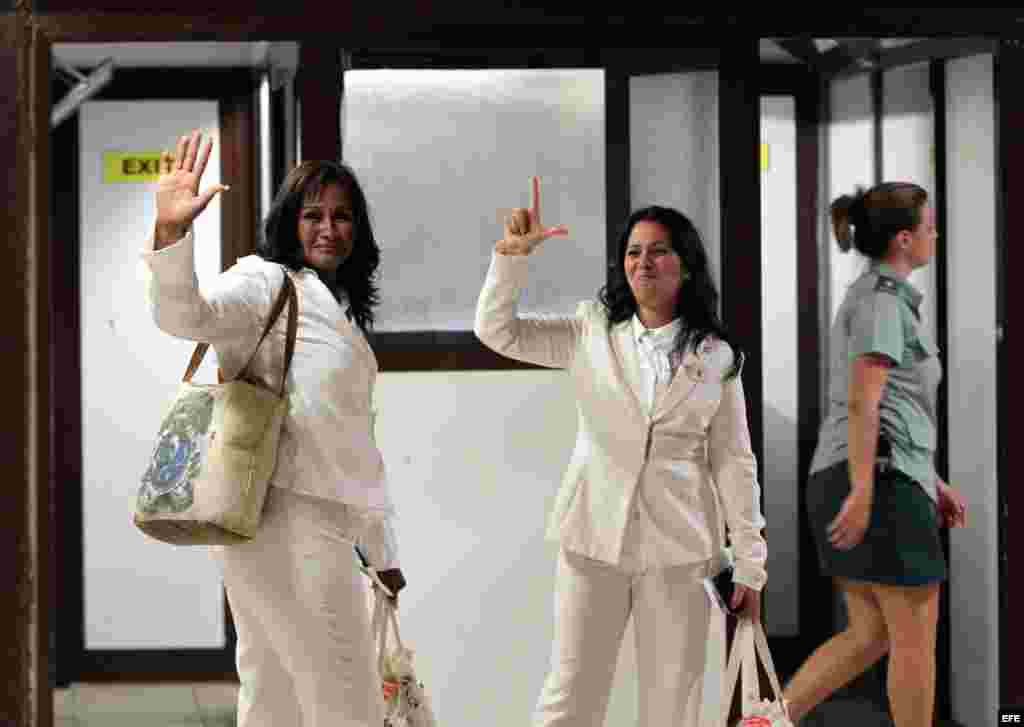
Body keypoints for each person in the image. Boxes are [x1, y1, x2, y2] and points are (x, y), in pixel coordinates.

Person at [473, 178, 768, 726]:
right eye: (633, 252)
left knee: (671, 703)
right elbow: (498, 332)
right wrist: (512, 260)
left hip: (681, 550)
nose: (644, 262)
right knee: (571, 695)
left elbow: (733, 460)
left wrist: (750, 562)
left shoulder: (719, 355)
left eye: (659, 250)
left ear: (686, 265)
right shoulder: (591, 328)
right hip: (591, 540)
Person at [140, 129, 406, 727]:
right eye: (313, 214)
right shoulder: (265, 283)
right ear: (289, 222)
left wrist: (382, 551)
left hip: (311, 523)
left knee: (275, 695)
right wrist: (171, 232)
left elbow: (352, 441)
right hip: (285, 520)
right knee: (347, 701)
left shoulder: (336, 308)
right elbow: (186, 316)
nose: (328, 228)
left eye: (342, 216)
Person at [782, 182, 968, 726]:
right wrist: (864, 490)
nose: (935, 235)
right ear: (906, 239)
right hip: (876, 481)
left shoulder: (875, 299)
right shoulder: (883, 304)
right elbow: (866, 402)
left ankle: (766, 721)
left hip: (878, 473)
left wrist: (930, 480)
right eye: (929, 227)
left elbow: (892, 412)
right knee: (914, 635)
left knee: (871, 634)